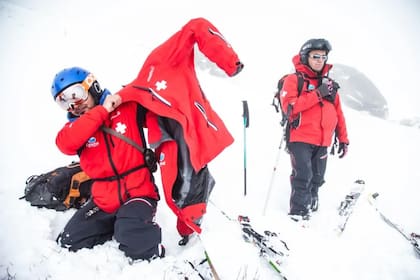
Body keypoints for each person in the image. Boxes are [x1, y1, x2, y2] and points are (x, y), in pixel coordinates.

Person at [51, 17, 243, 259]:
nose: (73, 104)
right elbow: (65, 144)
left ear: (92, 86)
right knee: (69, 241)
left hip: (138, 193)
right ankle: (119, 224)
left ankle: (139, 235)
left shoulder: (127, 107)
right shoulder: (76, 129)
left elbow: (156, 90)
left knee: (136, 243)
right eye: (64, 101)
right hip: (103, 199)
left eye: (75, 94)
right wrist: (102, 110)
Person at [280, 38, 349, 220]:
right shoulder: (294, 80)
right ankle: (298, 213)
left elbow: (338, 114)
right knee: (303, 175)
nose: (320, 60)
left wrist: (343, 139)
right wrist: (318, 94)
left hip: (323, 140)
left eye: (323, 57)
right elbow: (290, 107)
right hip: (300, 137)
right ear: (305, 57)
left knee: (318, 177)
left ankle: (312, 202)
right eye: (315, 56)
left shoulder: (329, 86)